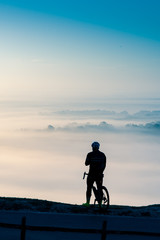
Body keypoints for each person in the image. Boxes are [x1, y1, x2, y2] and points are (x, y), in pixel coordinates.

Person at [83, 141, 106, 206]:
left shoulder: (90, 154)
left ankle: (87, 203)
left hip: (91, 174)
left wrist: (91, 161)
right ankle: (100, 204)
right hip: (99, 174)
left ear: (92, 147)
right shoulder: (102, 155)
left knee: (89, 188)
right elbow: (104, 165)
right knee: (99, 188)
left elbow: (86, 163)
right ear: (98, 147)